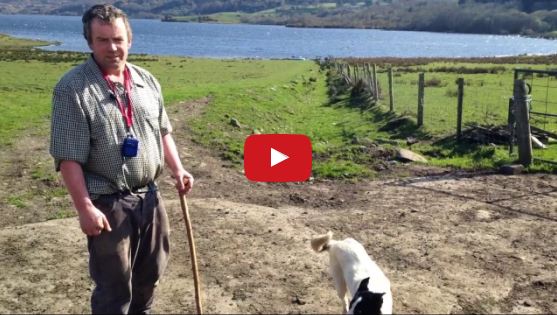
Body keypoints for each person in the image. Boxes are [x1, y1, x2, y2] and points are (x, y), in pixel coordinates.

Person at [49, 4, 194, 314]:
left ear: (130, 39)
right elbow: (68, 158)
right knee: (114, 289)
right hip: (107, 203)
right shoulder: (72, 89)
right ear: (89, 42)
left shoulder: (147, 81)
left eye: (117, 39)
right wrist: (85, 207)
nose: (112, 48)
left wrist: (178, 168)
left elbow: (163, 130)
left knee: (150, 276)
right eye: (102, 40)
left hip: (150, 198)